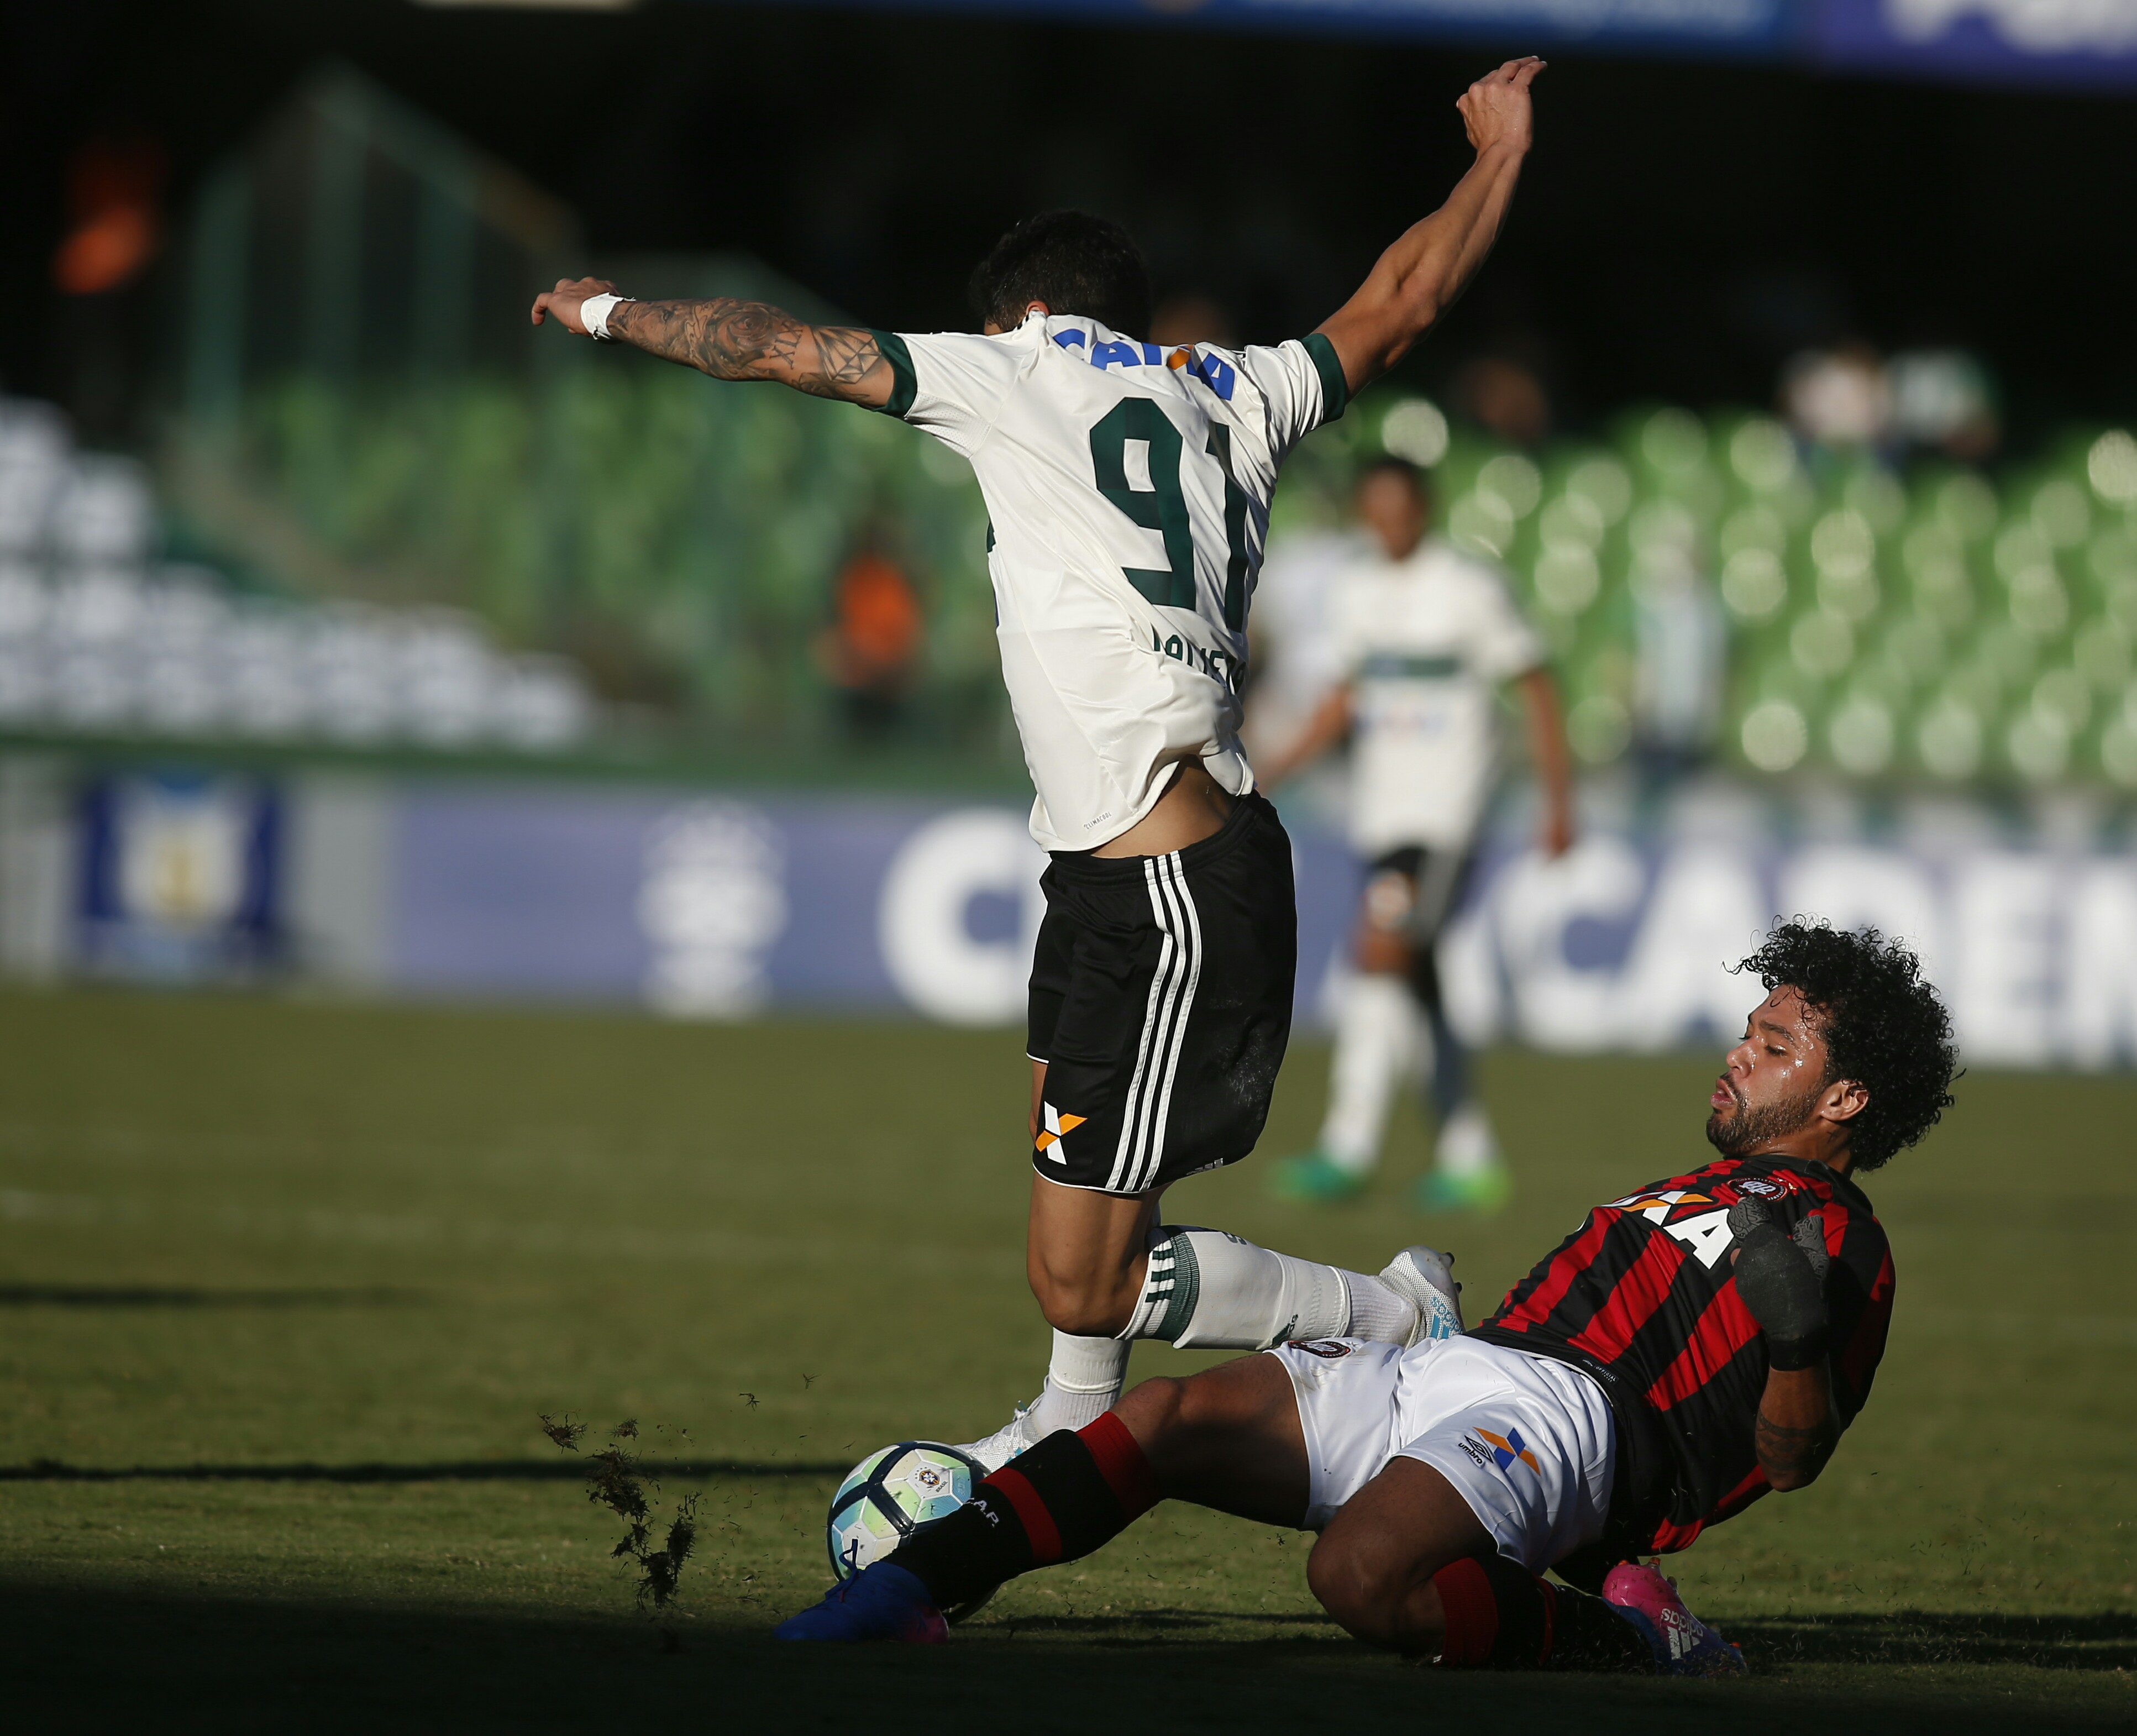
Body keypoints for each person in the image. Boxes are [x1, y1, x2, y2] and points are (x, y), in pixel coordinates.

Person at [534, 58, 1550, 1470]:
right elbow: (1404, 299)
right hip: (1114, 870)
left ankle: (1389, 1310)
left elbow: (766, 343)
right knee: (1071, 1252)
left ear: (1019, 308)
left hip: (1166, 879)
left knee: (1087, 1270)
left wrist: (602, 306)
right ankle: (1071, 1420)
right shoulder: (1233, 392)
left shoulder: (1008, 366)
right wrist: (1497, 151)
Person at [776, 921, 1957, 1675]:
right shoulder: (1712, 1181)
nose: (1738, 1051)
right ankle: (901, 1595)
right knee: (1159, 1421)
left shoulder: (1841, 1239)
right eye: (1748, 1032)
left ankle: (1634, 1638)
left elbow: (1792, 1455)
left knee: (1359, 1576)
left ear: (1844, 1094)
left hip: (1563, 1420)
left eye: (1772, 1042)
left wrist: (1796, 1334)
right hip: (1456, 1371)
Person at [1258, 456, 1574, 1211]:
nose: (1389, 521)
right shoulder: (1356, 592)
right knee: (1418, 980)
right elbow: (1342, 699)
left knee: (1380, 945)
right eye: (1377, 508)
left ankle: (1348, 1146)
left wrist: (1558, 800)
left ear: (1425, 509)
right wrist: (1267, 771)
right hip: (1382, 811)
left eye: (1402, 507)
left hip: (1448, 814)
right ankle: (1471, 1158)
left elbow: (1533, 682)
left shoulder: (1467, 587)